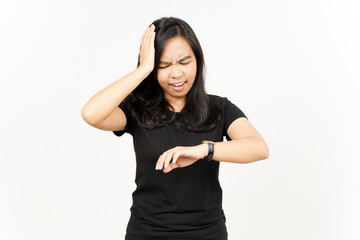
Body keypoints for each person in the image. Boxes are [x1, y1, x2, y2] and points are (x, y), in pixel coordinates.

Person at [81, 16, 269, 240]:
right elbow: (91, 114)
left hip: (207, 233)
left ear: (197, 61)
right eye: (164, 65)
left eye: (184, 62)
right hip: (147, 232)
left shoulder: (219, 108)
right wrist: (143, 69)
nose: (176, 73)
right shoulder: (136, 109)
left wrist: (203, 150)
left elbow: (258, 148)